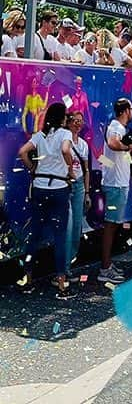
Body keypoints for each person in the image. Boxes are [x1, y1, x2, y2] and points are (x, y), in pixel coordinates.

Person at [18, 100, 74, 295]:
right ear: (61, 117)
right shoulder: (65, 134)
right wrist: (70, 168)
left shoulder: (39, 136)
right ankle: (61, 284)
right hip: (59, 187)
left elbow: (23, 152)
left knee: (35, 234)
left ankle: (28, 278)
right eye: (65, 115)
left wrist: (33, 169)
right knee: (60, 237)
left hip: (40, 187)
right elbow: (66, 150)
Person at [99, 98, 132, 283]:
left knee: (113, 225)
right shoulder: (115, 127)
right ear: (125, 111)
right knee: (110, 225)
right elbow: (113, 144)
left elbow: (118, 156)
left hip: (120, 182)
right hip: (115, 183)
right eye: (131, 109)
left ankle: (107, 265)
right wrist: (127, 147)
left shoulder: (121, 129)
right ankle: (105, 268)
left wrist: (130, 154)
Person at [64, 111, 91, 273]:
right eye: (75, 120)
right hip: (66, 185)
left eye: (81, 121)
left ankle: (69, 263)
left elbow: (86, 169)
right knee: (67, 227)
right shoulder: (63, 141)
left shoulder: (83, 144)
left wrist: (87, 192)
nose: (78, 124)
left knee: (76, 227)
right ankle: (64, 269)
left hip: (80, 185)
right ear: (68, 122)